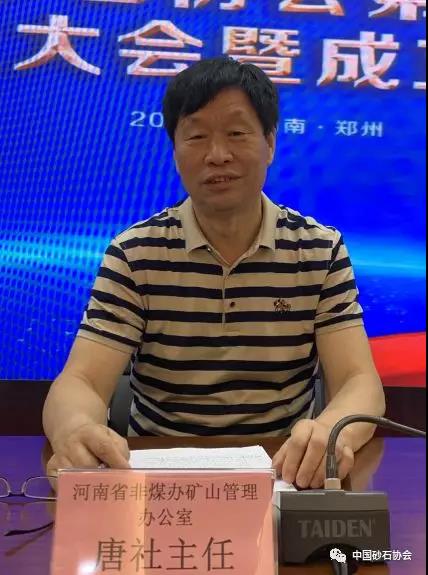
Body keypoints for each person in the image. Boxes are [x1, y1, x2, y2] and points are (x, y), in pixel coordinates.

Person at [43, 57, 385, 489]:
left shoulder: (318, 249)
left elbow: (358, 380)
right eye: (196, 136)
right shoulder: (135, 253)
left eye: (237, 134)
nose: (217, 155)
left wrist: (331, 432)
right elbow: (81, 381)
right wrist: (75, 429)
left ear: (270, 143)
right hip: (158, 480)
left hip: (282, 474)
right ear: (175, 150)